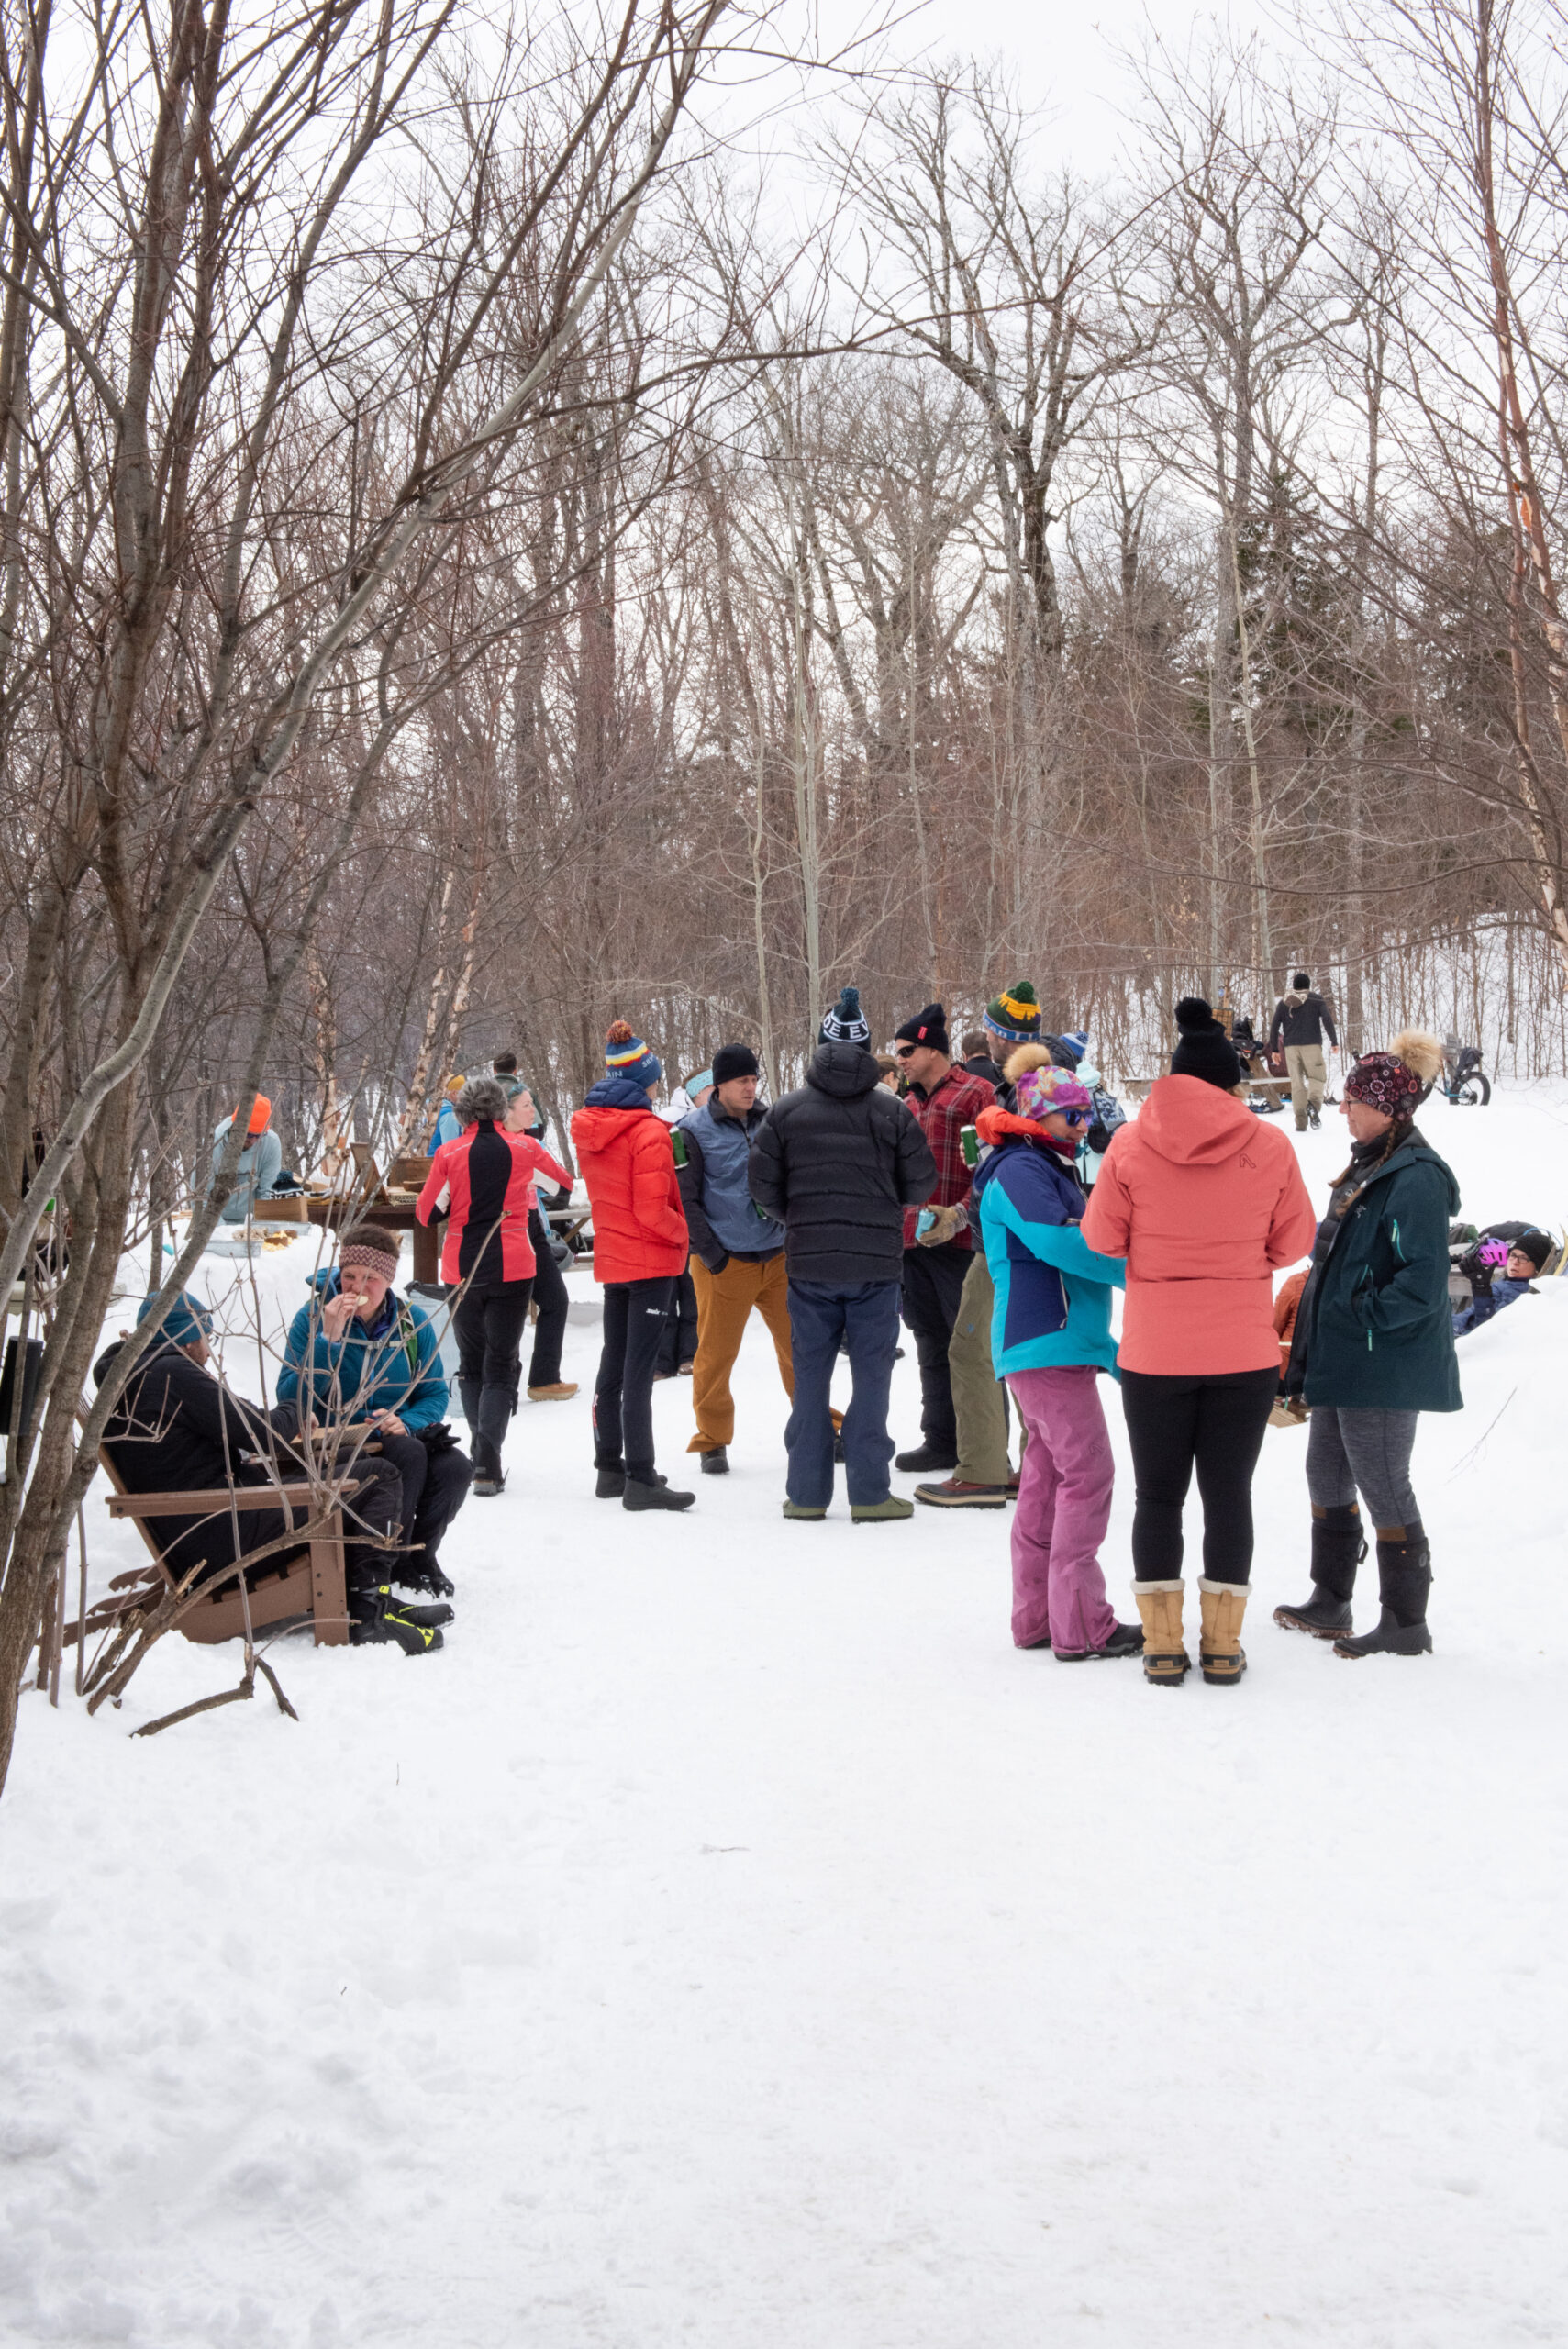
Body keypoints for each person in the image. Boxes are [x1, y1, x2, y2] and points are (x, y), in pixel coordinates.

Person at [1082, 997, 1317, 1687]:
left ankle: (1160, 1645)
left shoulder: (1127, 1144)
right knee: (1227, 1495)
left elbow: (1100, 1238)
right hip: (1241, 1352)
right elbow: (1294, 1242)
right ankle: (1219, 1645)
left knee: (1156, 1496)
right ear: (1230, 1083)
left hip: (1154, 1352)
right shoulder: (1268, 1145)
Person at [98, 1290, 450, 1653]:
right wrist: (294, 1411)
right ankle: (367, 1611)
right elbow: (259, 1434)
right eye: (207, 1336)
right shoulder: (170, 1373)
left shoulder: (142, 1375)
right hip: (223, 1534)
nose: (208, 1349)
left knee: (362, 1469)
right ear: (188, 1336)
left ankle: (373, 1598)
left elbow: (234, 1424)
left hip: (211, 1521)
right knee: (379, 1477)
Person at [1274, 1032, 1462, 1657]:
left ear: (1387, 1106)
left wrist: (1357, 1313)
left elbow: (1421, 1282)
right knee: (1324, 1469)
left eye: (1353, 1099)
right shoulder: (1366, 1163)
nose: (1341, 1110)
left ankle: (1405, 1623)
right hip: (1346, 1354)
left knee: (1381, 1478)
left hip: (1381, 1358)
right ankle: (1330, 1600)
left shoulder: (1414, 1177)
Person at [973, 1056, 1142, 1660]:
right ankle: (1080, 1624)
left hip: (1052, 1346)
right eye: (1070, 1116)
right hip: (1044, 1345)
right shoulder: (1020, 1168)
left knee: (1046, 1484)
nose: (1080, 1126)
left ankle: (1036, 1619)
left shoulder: (1042, 1164)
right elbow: (1059, 1241)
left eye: (1083, 1115)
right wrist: (1141, 1271)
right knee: (1087, 1475)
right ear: (1039, 1114)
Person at [749, 985, 937, 1521]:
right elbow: (921, 1184)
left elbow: (762, 1188)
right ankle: (870, 1492)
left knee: (810, 1377)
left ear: (822, 1046)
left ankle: (807, 1493)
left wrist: (800, 1216)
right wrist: (885, 1206)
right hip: (876, 1266)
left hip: (808, 1265)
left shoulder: (785, 1113)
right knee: (872, 1376)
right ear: (866, 1047)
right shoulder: (893, 1114)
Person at [277, 1224, 471, 1610]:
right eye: (349, 1276)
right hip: (336, 1439)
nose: (356, 1287)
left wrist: (407, 1420)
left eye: (371, 1279)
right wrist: (327, 1340)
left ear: (388, 1281)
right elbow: (289, 1396)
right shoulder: (312, 1317)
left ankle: (420, 1554)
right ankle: (389, 1560)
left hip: (395, 1432)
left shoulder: (411, 1322)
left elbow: (433, 1394)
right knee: (407, 1455)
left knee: (455, 1469)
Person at [916, 978, 1040, 1508]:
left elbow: (1025, 1170)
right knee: (1021, 1355)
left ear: (995, 1035)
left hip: (1012, 1245)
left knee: (978, 1350)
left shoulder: (1030, 1090)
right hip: (1011, 1238)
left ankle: (986, 1469)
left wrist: (966, 1210)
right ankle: (1031, 1470)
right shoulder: (1025, 1088)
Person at [417, 1077, 572, 1496]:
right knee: (501, 1362)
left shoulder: (448, 1153)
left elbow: (427, 1213)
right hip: (514, 1264)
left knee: (471, 1362)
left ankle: (479, 1454)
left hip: (461, 1269)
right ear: (501, 1110)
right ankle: (488, 1461)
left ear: (463, 1113)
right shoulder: (525, 1148)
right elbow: (562, 1188)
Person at [572, 1021, 694, 1511]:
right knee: (639, 1373)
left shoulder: (592, 1128)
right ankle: (641, 1477)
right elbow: (650, 1209)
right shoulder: (649, 1132)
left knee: (613, 1366)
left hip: (615, 1259)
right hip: (650, 1261)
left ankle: (609, 1467)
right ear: (646, 1079)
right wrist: (684, 1234)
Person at [675, 1043, 792, 1475]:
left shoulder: (772, 1121)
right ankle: (712, 1439)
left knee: (801, 1348)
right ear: (719, 1085)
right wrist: (713, 1256)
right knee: (715, 1355)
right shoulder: (690, 1131)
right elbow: (685, 1200)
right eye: (741, 1080)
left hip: (778, 1256)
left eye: (753, 1079)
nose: (750, 1087)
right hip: (725, 1262)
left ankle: (818, 1426)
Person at [892, 1002, 997, 1475]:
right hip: (914, 1245)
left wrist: (959, 1215)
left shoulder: (976, 1094)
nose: (900, 1060)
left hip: (962, 1246)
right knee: (929, 1343)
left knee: (973, 1350)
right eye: (896, 1053)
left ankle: (986, 1450)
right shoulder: (909, 1103)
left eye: (907, 1050)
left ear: (933, 1048)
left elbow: (993, 1168)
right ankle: (940, 1438)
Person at [500, 1081, 578, 1402]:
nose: (534, 1111)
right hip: (507, 1230)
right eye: (527, 1105)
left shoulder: (527, 1141)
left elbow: (562, 1183)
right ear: (506, 1111)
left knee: (555, 1300)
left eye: (533, 1103)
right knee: (508, 1309)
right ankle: (501, 1384)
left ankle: (544, 1378)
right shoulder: (505, 1145)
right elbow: (560, 1182)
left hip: (534, 1228)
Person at [1267, 971, 1339, 1132]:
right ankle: (1312, 1105)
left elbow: (1274, 1026)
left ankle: (1300, 1123)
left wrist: (1274, 1049)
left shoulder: (1285, 1002)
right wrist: (1334, 1041)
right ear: (1308, 986)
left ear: (1294, 986)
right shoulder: (1315, 999)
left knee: (1297, 1083)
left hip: (1290, 1048)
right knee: (1317, 1077)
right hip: (1312, 1045)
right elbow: (1327, 1018)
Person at [1451, 1228, 1552, 1336]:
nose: (1515, 1262)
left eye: (1523, 1258)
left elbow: (1487, 1330)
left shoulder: (1523, 1295)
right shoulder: (1506, 1283)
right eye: (1513, 1255)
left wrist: (1481, 1289)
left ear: (1538, 1267)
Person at [209, 1096, 284, 1221]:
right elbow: (202, 1198)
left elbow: (267, 1194)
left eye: (259, 1135)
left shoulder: (271, 1143)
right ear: (236, 1126)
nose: (253, 1141)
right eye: (249, 1134)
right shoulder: (213, 1142)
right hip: (213, 1222)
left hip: (250, 1222)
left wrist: (259, 1228)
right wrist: (221, 1233)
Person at [429, 1074, 465, 1153]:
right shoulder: (449, 1115)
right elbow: (451, 1151)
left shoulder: (437, 1110)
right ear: (454, 1093)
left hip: (432, 1161)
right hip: (437, 1162)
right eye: (463, 1093)